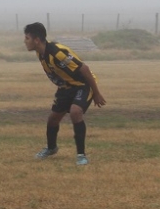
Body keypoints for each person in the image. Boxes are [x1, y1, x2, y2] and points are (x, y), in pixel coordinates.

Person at [23, 22, 105, 165]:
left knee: (75, 112)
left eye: (27, 38)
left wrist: (96, 93)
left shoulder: (57, 53)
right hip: (66, 88)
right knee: (53, 119)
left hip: (82, 85)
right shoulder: (40, 53)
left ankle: (81, 155)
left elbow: (84, 69)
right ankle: (51, 148)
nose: (25, 41)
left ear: (36, 40)